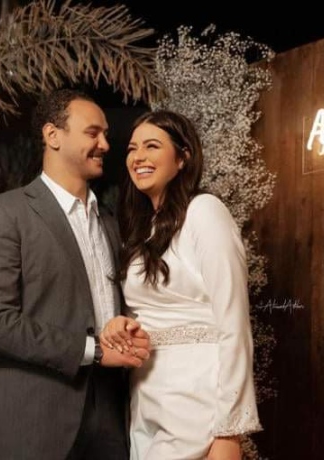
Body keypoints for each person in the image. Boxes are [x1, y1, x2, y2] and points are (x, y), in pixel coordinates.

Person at [0, 88, 151, 460]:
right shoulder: (2, 213)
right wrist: (94, 351)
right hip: (29, 422)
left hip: (110, 420)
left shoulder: (111, 223)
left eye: (106, 135)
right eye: (92, 133)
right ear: (53, 135)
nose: (105, 145)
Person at [100, 109, 263, 460]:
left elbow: (234, 323)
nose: (138, 157)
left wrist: (230, 429)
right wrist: (120, 325)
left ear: (182, 158)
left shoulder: (205, 211)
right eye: (132, 148)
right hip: (147, 395)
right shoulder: (142, 231)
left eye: (152, 146)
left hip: (197, 396)